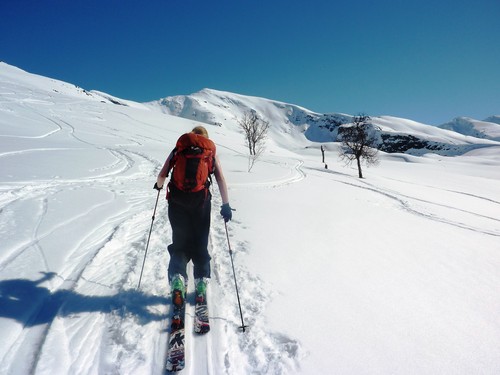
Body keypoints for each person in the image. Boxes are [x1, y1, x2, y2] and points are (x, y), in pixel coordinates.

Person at [154, 126, 233, 305]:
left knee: (180, 243)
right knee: (200, 244)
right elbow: (220, 179)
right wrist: (226, 205)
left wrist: (159, 186)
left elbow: (162, 174)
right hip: (201, 203)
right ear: (205, 138)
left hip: (177, 201)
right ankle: (201, 285)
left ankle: (177, 279)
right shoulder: (209, 152)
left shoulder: (180, 148)